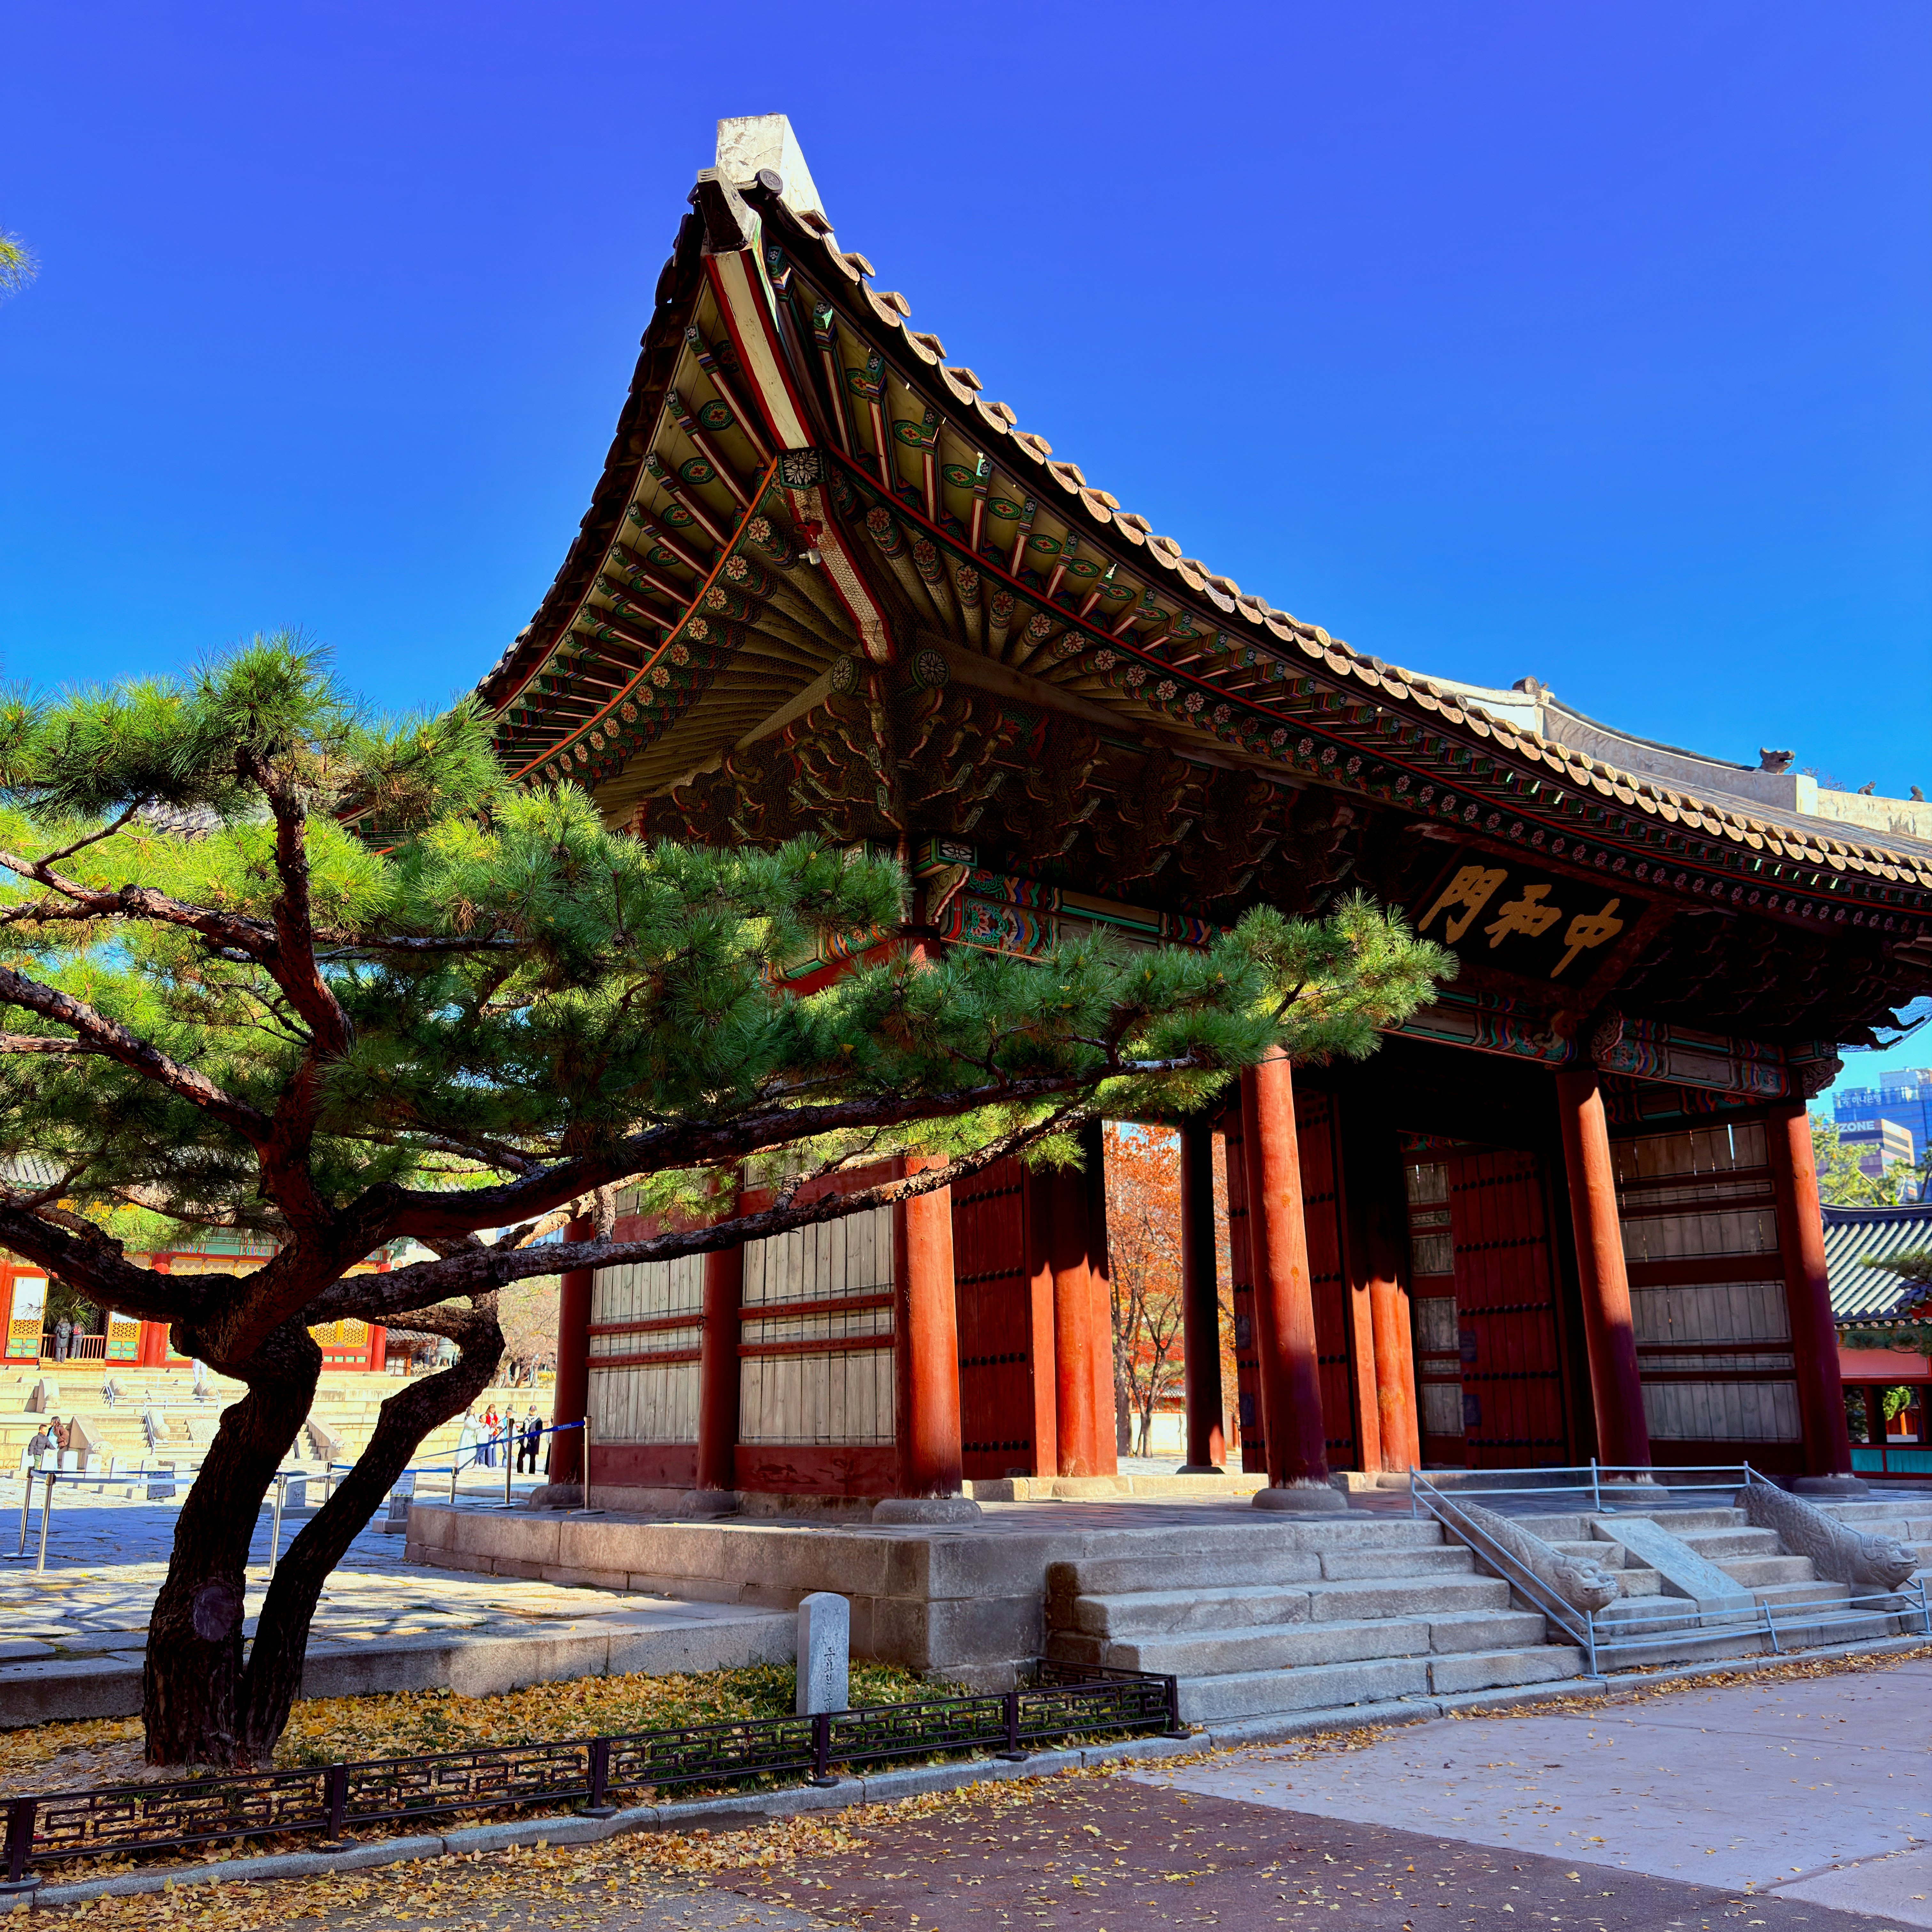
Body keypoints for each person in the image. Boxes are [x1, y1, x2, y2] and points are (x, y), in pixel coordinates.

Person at [517, 1405, 542, 1474]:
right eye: (531, 1411)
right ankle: (520, 1470)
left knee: (533, 1457)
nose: (532, 1412)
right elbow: (524, 1429)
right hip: (525, 1439)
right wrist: (520, 1430)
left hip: (533, 1441)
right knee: (521, 1455)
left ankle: (532, 1472)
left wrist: (536, 1437)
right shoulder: (526, 1419)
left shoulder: (539, 1420)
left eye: (534, 1411)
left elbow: (540, 1431)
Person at [480, 1404, 499, 1470]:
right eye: (492, 1408)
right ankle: (489, 1463)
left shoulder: (495, 1417)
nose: (493, 1410)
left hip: (494, 1434)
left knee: (494, 1449)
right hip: (488, 1434)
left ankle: (494, 1464)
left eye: (494, 1408)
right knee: (489, 1449)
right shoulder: (487, 1417)